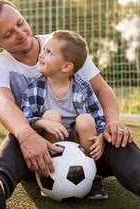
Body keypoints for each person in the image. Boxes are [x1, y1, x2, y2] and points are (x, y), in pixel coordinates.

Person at [0, 0, 140, 209]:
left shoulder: (62, 44)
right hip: (40, 156)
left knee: (116, 137)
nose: (20, 34)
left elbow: (102, 89)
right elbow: (2, 104)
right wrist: (28, 136)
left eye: (20, 23)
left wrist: (112, 123)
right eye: (8, 34)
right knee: (19, 132)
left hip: (89, 148)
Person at [21, 29, 107, 200]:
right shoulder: (35, 87)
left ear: (67, 66)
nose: (41, 55)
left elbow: (98, 115)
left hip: (79, 144)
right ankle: (49, 175)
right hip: (52, 143)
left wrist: (102, 136)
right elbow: (26, 116)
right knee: (51, 116)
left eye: (49, 52)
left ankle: (93, 178)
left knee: (86, 119)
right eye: (44, 49)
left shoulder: (83, 86)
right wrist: (43, 123)